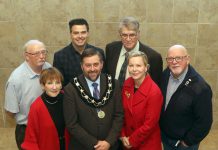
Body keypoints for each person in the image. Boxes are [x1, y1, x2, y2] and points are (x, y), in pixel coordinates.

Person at [63, 48, 124, 150]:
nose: (92, 69)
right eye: (88, 65)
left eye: (95, 64)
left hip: (110, 146)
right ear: (82, 66)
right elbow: (71, 124)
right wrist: (95, 144)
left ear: (101, 64)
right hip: (82, 146)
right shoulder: (71, 89)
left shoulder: (114, 84)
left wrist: (108, 142)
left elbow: (119, 115)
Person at [160, 45, 213, 150]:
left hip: (184, 144)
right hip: (166, 138)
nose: (174, 62)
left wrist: (187, 143)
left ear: (188, 59)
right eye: (170, 58)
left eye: (179, 58)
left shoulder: (201, 88)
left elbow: (204, 122)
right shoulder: (165, 75)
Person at [4, 40, 51, 149]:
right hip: (27, 130)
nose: (42, 56)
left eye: (44, 52)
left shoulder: (48, 67)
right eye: (37, 53)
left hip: (47, 128)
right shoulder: (15, 80)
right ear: (27, 56)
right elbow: (10, 112)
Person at [120, 51, 163, 150]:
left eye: (138, 66)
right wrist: (122, 135)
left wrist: (131, 140)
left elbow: (149, 125)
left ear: (146, 68)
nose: (134, 69)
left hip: (146, 143)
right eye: (131, 65)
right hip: (127, 140)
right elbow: (121, 112)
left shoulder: (154, 92)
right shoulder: (127, 83)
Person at [105, 16, 163, 87]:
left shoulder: (153, 57)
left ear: (138, 34)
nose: (128, 39)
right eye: (124, 35)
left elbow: (155, 86)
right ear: (120, 34)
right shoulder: (111, 49)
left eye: (132, 35)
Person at [22, 67, 69, 150]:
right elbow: (31, 136)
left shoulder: (68, 99)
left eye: (57, 82)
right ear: (43, 86)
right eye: (50, 83)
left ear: (61, 85)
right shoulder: (36, 107)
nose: (54, 87)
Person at [53, 18, 105, 86]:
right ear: (70, 34)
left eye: (83, 32)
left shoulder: (99, 52)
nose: (80, 36)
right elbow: (58, 84)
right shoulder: (60, 56)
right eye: (76, 33)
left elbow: (103, 79)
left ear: (87, 33)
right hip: (70, 96)